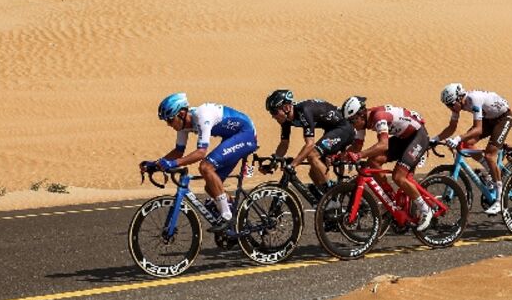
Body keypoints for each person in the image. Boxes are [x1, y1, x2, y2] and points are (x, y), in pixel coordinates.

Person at [141, 93, 259, 228]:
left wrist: (173, 163)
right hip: (232, 137)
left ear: (182, 113)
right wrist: (155, 164)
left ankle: (226, 217)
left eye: (170, 120)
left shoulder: (202, 116)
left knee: (205, 167)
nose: (168, 124)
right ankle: (238, 221)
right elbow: (178, 152)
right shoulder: (183, 126)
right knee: (211, 187)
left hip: (246, 134)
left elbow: (201, 153)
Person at [342, 96, 434, 231]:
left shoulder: (378, 117)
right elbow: (357, 146)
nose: (351, 125)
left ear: (360, 115)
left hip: (418, 137)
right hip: (403, 138)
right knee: (373, 161)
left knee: (398, 176)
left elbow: (383, 145)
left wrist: (359, 155)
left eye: (352, 121)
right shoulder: (362, 121)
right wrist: (340, 157)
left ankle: (426, 209)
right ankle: (390, 199)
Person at [434, 83, 512, 215]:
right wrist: (435, 139)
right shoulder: (457, 105)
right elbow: (451, 127)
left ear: (459, 98)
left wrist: (457, 138)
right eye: (448, 106)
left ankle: (499, 200)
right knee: (466, 144)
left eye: (451, 104)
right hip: (488, 118)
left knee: (489, 155)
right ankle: (491, 172)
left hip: (503, 118)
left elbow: (478, 129)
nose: (451, 108)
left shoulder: (473, 99)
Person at [264, 89, 355, 202]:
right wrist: (274, 162)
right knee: (313, 173)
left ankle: (332, 195)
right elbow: (284, 143)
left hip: (344, 129)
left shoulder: (303, 111)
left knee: (312, 155)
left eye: (274, 112)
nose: (273, 116)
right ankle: (328, 202)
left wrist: (293, 165)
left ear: (286, 107)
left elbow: (310, 144)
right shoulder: (286, 120)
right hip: (332, 130)